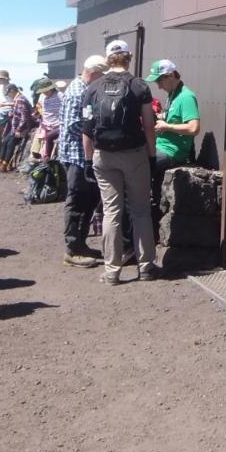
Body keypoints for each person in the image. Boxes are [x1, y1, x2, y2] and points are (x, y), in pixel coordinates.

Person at [82, 40, 159, 284]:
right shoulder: (139, 86)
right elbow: (149, 125)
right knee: (140, 210)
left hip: (103, 155)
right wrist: (152, 155)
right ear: (129, 57)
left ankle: (112, 271)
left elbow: (87, 129)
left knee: (111, 211)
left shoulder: (93, 88)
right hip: (134, 153)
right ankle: (146, 267)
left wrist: (88, 160)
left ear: (107, 59)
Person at [60, 57, 107, 268]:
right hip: (76, 156)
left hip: (81, 155)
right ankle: (73, 249)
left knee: (87, 200)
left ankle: (80, 244)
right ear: (95, 73)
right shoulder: (78, 92)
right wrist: (99, 131)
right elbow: (73, 125)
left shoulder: (81, 89)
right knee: (78, 201)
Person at [145, 60, 200, 236]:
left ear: (170, 76)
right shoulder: (173, 95)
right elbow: (175, 117)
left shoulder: (186, 97)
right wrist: (160, 117)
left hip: (172, 152)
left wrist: (167, 126)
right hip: (160, 146)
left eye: (159, 81)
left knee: (139, 167)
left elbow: (194, 128)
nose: (158, 86)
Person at [0, 84, 34, 173]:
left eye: (8, 93)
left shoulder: (20, 100)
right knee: (5, 141)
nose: (9, 96)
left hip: (22, 128)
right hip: (15, 128)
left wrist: (19, 130)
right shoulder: (17, 99)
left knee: (11, 143)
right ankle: (0, 162)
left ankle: (5, 165)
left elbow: (24, 117)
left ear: (12, 91)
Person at [37, 80, 64, 159]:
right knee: (38, 136)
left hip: (58, 125)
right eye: (43, 91)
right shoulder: (42, 98)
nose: (44, 92)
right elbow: (42, 110)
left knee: (49, 137)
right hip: (46, 125)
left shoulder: (60, 95)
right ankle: (36, 156)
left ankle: (47, 157)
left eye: (46, 91)